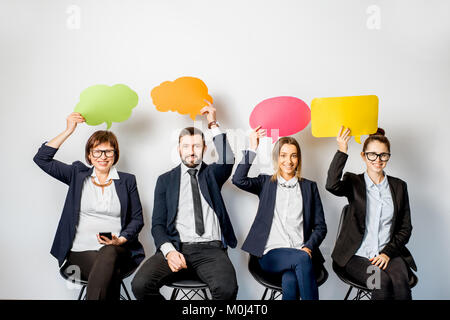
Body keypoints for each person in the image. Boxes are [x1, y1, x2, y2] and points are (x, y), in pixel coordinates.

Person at [131, 102, 238, 300]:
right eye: (186, 146)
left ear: (204, 148)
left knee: (226, 290)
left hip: (210, 250)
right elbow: (158, 225)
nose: (191, 151)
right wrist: (169, 251)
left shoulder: (212, 174)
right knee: (140, 285)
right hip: (176, 247)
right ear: (179, 149)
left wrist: (213, 123)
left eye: (196, 146)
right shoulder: (165, 180)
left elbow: (228, 159)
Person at [33, 112, 145, 300]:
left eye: (108, 151)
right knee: (109, 274)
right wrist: (69, 130)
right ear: (89, 155)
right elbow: (42, 159)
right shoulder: (77, 175)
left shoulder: (127, 181)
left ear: (115, 154)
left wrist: (121, 240)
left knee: (108, 254)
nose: (103, 156)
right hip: (79, 251)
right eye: (97, 151)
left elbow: (137, 219)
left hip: (118, 250)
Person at [232, 127, 327, 300]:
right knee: (302, 260)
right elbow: (238, 179)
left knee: (290, 281)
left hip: (300, 251)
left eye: (293, 155)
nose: (288, 161)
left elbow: (320, 227)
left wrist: (308, 247)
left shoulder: (309, 187)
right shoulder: (266, 183)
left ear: (298, 159)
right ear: (277, 158)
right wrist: (253, 147)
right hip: (271, 254)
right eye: (283, 155)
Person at [326, 126, 417, 300]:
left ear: (388, 156)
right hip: (356, 256)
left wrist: (387, 253)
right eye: (372, 154)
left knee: (401, 285)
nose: (378, 159)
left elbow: (405, 228)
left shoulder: (399, 187)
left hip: (387, 254)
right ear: (363, 155)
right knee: (380, 282)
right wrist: (342, 149)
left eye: (383, 155)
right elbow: (331, 185)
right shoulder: (353, 182)